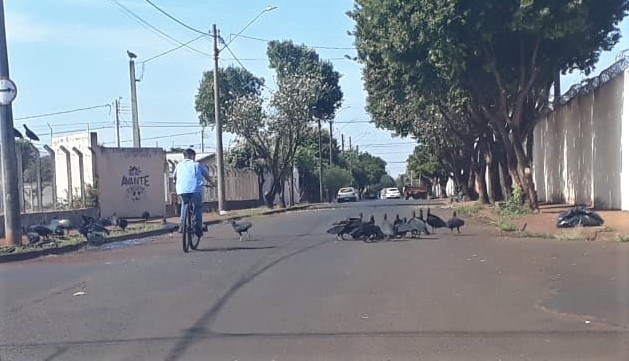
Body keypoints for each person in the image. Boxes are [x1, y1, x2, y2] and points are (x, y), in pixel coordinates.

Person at [173, 148, 213, 237]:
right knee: (197, 207)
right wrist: (212, 183)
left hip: (182, 190)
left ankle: (182, 225)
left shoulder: (179, 165)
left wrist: (176, 183)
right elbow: (206, 176)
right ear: (192, 156)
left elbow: (174, 177)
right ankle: (197, 227)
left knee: (184, 204)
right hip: (195, 189)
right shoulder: (197, 165)